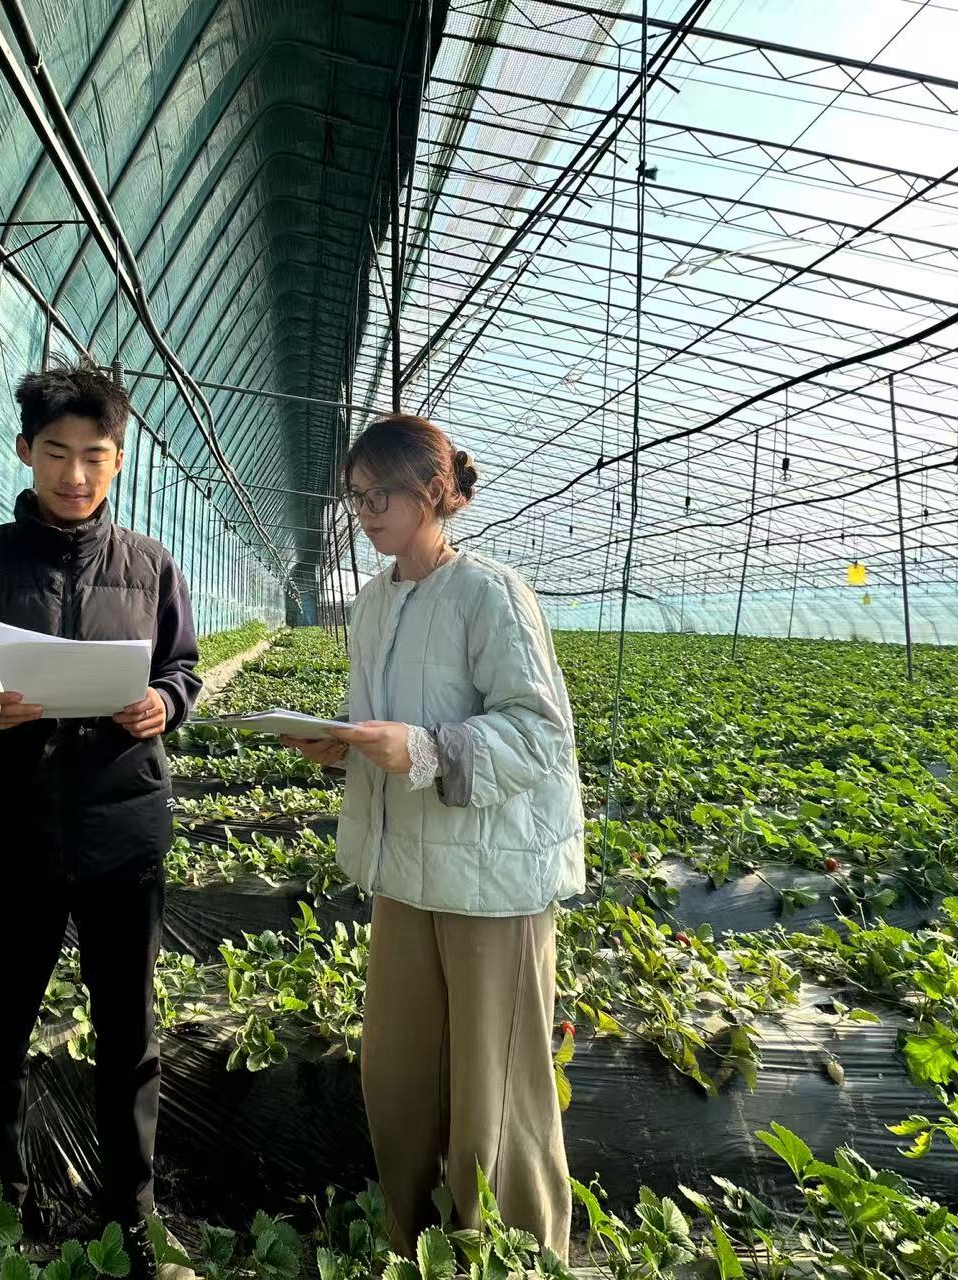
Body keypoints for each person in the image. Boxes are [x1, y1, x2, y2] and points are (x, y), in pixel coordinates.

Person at [0, 359, 200, 1277]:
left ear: (118, 461)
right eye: (58, 454)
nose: (76, 476)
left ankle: (133, 1207)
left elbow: (182, 669)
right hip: (11, 830)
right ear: (28, 452)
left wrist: (163, 703)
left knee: (129, 1030)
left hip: (122, 832)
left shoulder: (149, 565)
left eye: (96, 457)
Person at [284, 415, 586, 1260]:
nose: (365, 509)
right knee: (400, 1078)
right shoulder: (375, 603)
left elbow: (538, 733)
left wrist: (420, 749)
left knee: (497, 1090)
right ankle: (410, 1238)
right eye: (354, 495)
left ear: (433, 491)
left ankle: (514, 1255)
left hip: (491, 881)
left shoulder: (489, 594)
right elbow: (380, 724)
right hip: (406, 868)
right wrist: (338, 748)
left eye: (379, 492)